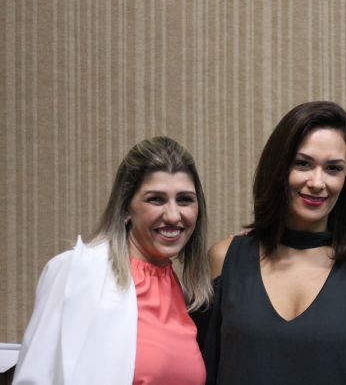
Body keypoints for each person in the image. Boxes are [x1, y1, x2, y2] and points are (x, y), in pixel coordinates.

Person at [195, 101, 346, 385]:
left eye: (333, 168)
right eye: (303, 164)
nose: (317, 182)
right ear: (278, 167)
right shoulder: (224, 260)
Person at [13, 136, 211, 384]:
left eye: (185, 199)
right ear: (126, 208)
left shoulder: (183, 294)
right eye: (156, 199)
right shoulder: (77, 272)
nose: (173, 215)